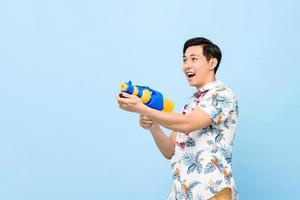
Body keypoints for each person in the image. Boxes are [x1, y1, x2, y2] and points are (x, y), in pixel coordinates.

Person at [116, 37, 239, 200]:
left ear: (212, 63)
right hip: (183, 192)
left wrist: (143, 108)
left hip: (211, 191)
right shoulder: (191, 106)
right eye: (184, 60)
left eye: (194, 59)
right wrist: (153, 126)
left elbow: (189, 124)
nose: (187, 65)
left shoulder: (222, 95)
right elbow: (169, 150)